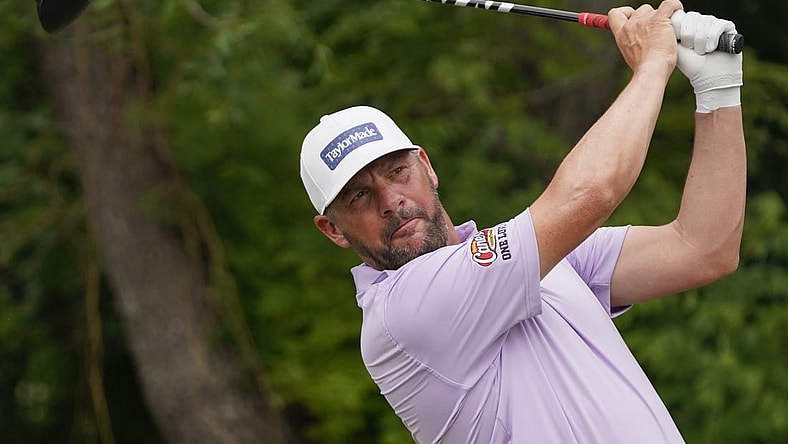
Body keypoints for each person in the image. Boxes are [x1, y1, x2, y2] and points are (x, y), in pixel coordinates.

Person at [298, 0, 745, 442]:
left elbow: (703, 249)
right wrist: (653, 65)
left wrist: (718, 87)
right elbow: (591, 193)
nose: (391, 201)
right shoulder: (401, 315)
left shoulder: (531, 255)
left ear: (426, 166)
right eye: (359, 196)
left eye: (397, 172)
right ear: (332, 229)